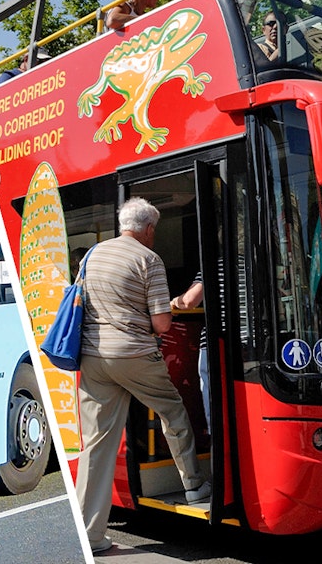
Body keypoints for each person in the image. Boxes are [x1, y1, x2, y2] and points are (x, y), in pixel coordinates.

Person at [76, 197, 208, 555]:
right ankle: (195, 486)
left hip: (91, 357)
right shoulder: (149, 259)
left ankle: (90, 535)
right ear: (148, 229)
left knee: (96, 446)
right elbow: (162, 323)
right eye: (155, 230)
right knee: (173, 412)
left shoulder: (92, 255)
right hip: (134, 355)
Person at [171, 272, 210, 440]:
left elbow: (189, 301)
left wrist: (174, 302)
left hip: (216, 342)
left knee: (211, 393)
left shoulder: (216, 266)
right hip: (252, 342)